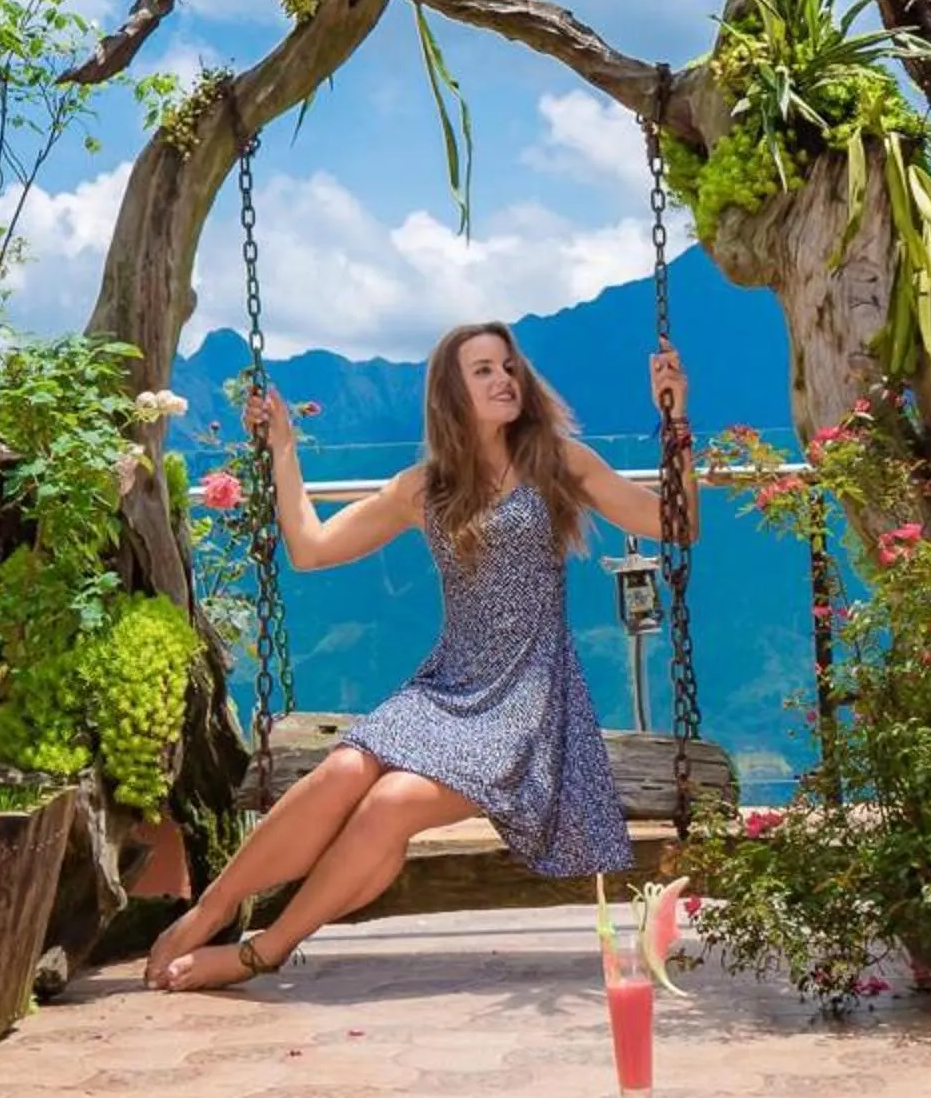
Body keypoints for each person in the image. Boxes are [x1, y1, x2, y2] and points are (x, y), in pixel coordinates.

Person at [145, 320, 692, 992]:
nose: (503, 380)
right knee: (346, 769)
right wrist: (283, 449)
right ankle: (213, 908)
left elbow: (677, 524)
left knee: (390, 803)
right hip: (447, 687)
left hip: (528, 701)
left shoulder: (558, 460)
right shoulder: (424, 488)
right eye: (483, 371)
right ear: (452, 395)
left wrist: (675, 421)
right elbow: (312, 549)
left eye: (508, 367)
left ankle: (266, 949)